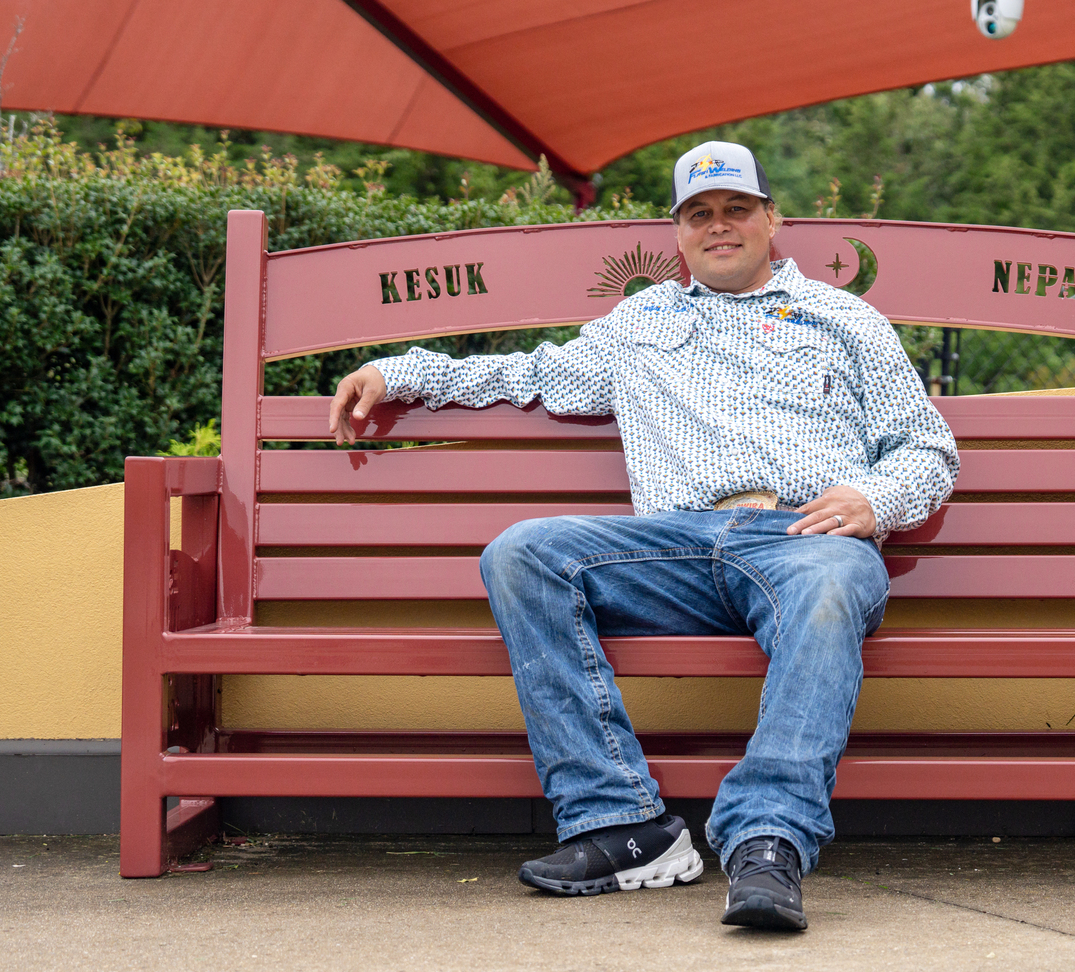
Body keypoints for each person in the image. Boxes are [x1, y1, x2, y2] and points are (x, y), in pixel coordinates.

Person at [327, 141, 959, 931]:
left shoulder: (847, 319)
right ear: (679, 233)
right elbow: (528, 374)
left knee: (833, 587)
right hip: (673, 546)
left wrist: (873, 498)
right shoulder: (639, 323)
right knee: (522, 553)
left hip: (804, 538)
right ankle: (621, 822)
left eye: (736, 209)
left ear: (773, 220)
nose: (719, 226)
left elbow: (926, 447)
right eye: (700, 214)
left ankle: (768, 840)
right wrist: (405, 371)